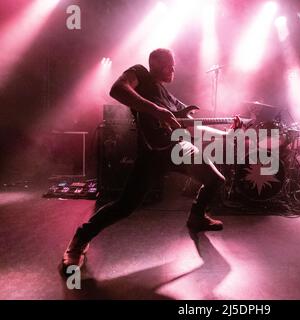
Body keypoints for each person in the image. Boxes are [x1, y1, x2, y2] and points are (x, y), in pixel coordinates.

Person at [61, 48, 241, 272]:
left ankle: (197, 216)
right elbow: (117, 90)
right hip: (152, 154)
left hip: (179, 150)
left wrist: (226, 133)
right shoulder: (140, 74)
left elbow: (193, 125)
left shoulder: (171, 97)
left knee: (215, 179)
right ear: (155, 64)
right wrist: (156, 111)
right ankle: (80, 239)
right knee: (124, 207)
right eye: (170, 65)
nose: (174, 69)